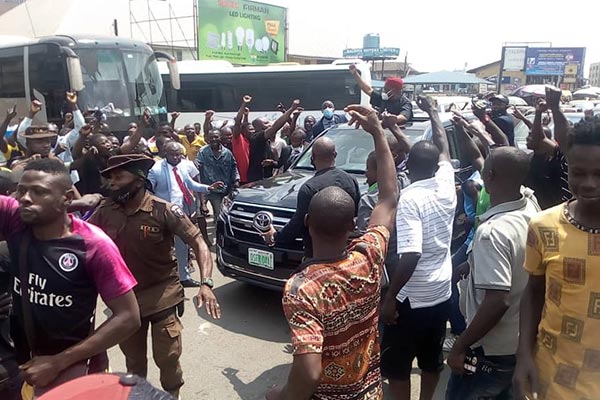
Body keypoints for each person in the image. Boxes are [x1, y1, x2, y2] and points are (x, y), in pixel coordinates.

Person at [266, 103, 399, 400]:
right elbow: (389, 197)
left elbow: (309, 373)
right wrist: (378, 131)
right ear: (353, 223)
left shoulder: (303, 289)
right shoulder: (369, 254)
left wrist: (280, 396)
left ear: (308, 223)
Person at [0, 158, 140, 397]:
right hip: (27, 366)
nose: (24, 197)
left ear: (66, 198)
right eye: (21, 190)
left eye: (38, 192)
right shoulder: (17, 221)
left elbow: (128, 317)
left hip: (77, 369)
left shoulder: (94, 245)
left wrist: (58, 362)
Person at [89, 154, 221, 398]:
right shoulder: (105, 210)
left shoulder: (163, 210)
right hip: (126, 304)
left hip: (163, 298)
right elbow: (82, 239)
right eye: (111, 178)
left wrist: (206, 283)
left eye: (120, 177)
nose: (112, 183)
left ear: (138, 180)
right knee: (134, 363)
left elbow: (199, 243)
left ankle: (173, 396)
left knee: (168, 359)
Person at [513, 119, 600, 400]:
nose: (589, 184)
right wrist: (524, 354)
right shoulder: (543, 226)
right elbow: (534, 291)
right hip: (552, 376)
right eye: (579, 173)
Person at [445, 147, 541, 399]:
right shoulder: (530, 205)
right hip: (519, 342)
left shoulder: (493, 232)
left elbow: (498, 301)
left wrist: (461, 345)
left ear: (488, 176)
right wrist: (473, 264)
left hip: (488, 351)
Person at [380, 95, 455, 400]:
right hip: (441, 293)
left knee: (397, 365)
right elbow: (443, 147)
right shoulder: (447, 181)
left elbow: (411, 254)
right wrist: (434, 114)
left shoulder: (410, 197)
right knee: (430, 359)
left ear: (408, 166)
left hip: (412, 297)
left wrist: (391, 297)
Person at [262, 136, 360, 257]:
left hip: (315, 256)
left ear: (312, 157)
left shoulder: (309, 188)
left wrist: (275, 236)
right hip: (343, 254)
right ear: (335, 155)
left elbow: (298, 224)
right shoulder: (351, 180)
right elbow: (356, 217)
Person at [148, 141, 220, 286]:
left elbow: (191, 184)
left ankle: (183, 276)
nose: (176, 158)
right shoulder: (155, 170)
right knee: (162, 246)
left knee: (182, 245)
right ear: (165, 154)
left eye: (179, 155)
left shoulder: (182, 166)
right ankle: (160, 277)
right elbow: (148, 192)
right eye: (173, 155)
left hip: (181, 212)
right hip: (163, 213)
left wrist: (209, 188)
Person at [521, 87, 572, 210]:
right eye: (579, 173)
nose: (589, 183)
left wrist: (555, 108)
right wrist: (539, 112)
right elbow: (539, 139)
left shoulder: (566, 159)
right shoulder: (568, 158)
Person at [247, 100, 301, 182]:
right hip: (256, 180)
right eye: (266, 123)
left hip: (266, 179)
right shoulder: (257, 137)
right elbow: (275, 127)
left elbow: (277, 164)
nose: (269, 124)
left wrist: (271, 162)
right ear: (257, 127)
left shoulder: (267, 141)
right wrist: (291, 109)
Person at [196, 128, 240, 219]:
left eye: (216, 137)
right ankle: (203, 234)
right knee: (199, 214)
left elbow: (234, 167)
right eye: (211, 137)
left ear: (220, 138)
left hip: (220, 190)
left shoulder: (227, 153)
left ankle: (218, 232)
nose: (213, 139)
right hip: (205, 187)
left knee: (219, 215)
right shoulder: (203, 152)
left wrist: (236, 180)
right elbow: (197, 166)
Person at [232, 95, 253, 184]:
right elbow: (238, 123)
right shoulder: (238, 139)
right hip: (240, 179)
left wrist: (246, 116)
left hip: (250, 178)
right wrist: (244, 104)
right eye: (250, 130)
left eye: (253, 129)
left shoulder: (249, 140)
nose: (253, 131)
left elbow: (245, 125)